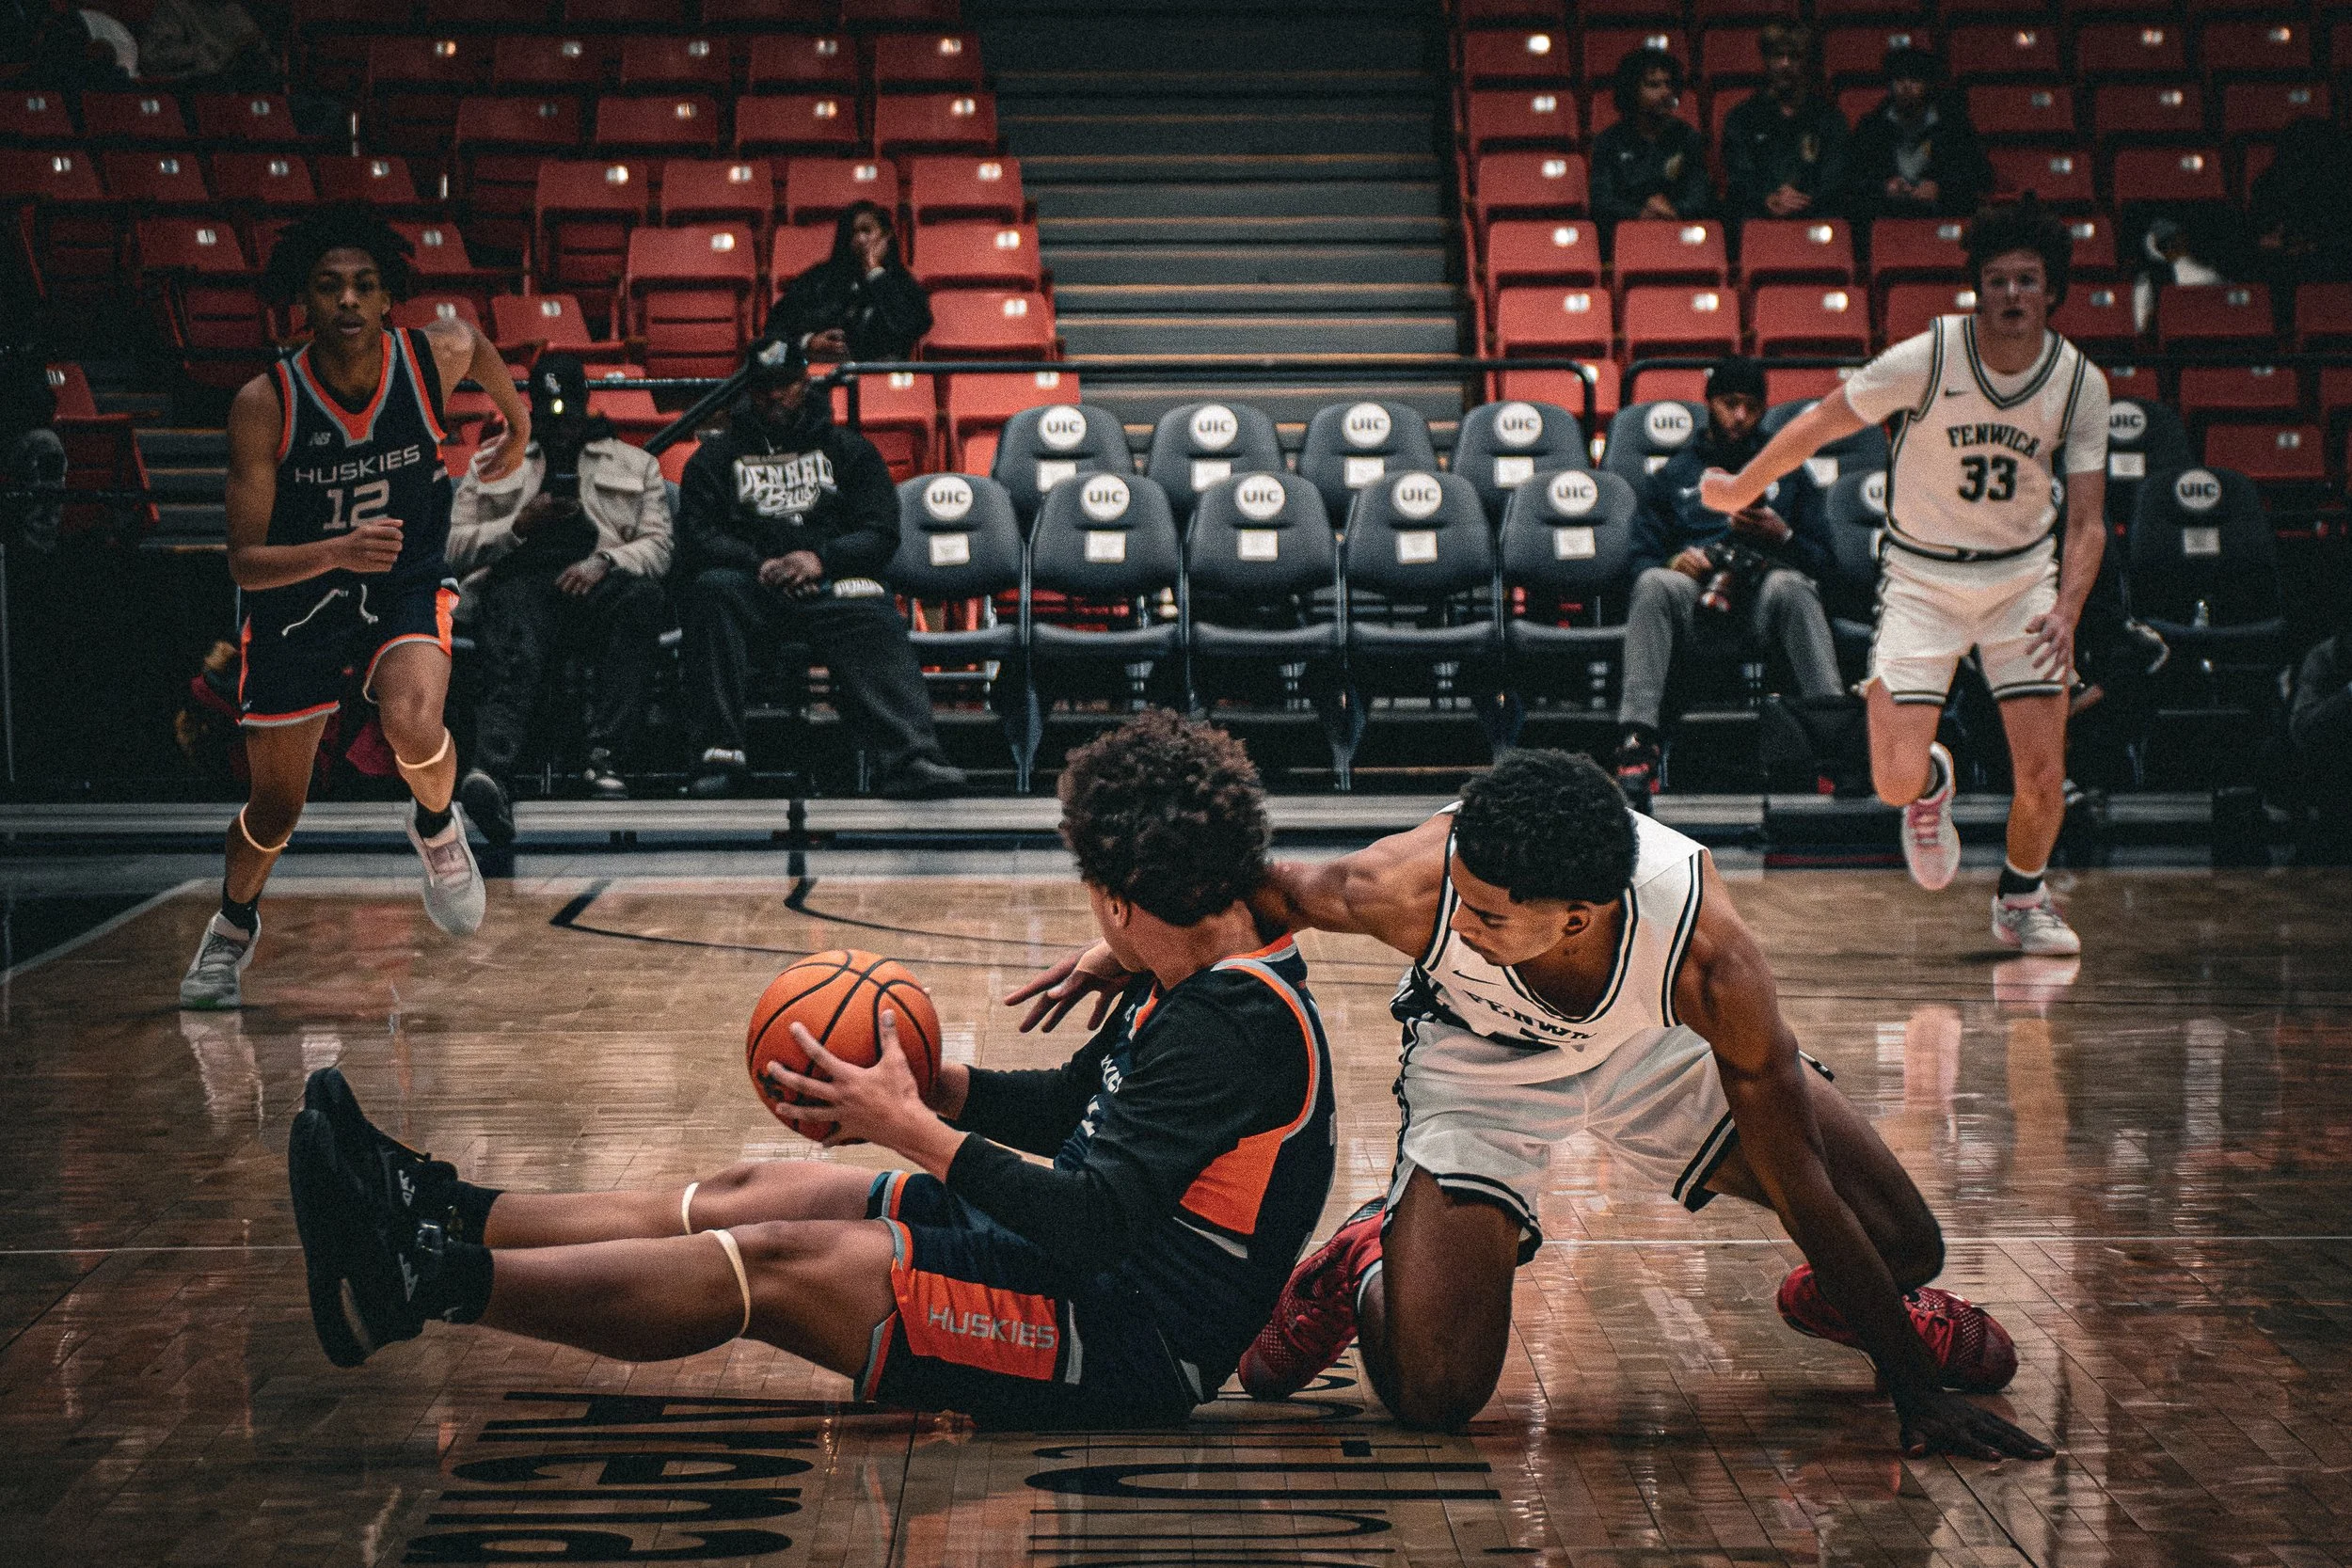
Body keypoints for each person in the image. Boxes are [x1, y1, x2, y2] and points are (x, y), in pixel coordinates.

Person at [286, 710, 1338, 1432]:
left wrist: (906, 1125)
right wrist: (930, 1086)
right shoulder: (1203, 958)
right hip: (1079, 1261)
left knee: (776, 1261)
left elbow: (1096, 1217)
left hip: (1123, 1343)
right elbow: (1077, 1109)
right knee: (764, 1189)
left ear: (1118, 896)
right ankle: (440, 1202)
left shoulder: (1227, 1025)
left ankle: (416, 1280)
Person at [1010, 748, 2052, 1462]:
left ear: (1578, 917)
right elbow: (1255, 892)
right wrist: (1128, 940)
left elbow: (1800, 1180)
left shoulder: (1709, 963)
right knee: (1432, 1395)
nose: (1456, 915)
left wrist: (1913, 1386)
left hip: (1653, 1049)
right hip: (1481, 1062)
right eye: (1457, 887)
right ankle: (1369, 1256)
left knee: (1899, 1239)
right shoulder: (1409, 886)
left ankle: (1851, 1300)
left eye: (1491, 912)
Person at [1697, 198, 2108, 956]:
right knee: (1890, 779)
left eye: (2027, 280)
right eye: (1997, 280)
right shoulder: (1928, 357)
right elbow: (1822, 420)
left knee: (2043, 774)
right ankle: (1928, 787)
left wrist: (2069, 608)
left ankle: (2022, 898)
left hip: (2021, 581)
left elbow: (2086, 522)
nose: (2012, 295)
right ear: (1976, 289)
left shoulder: (2080, 383)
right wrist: (1740, 486)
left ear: (2053, 291)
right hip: (1922, 579)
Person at [178, 205, 528, 1010]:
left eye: (363, 286)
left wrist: (518, 418)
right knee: (276, 808)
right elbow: (243, 561)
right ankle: (231, 926)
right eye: (330, 286)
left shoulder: (428, 358)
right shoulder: (265, 402)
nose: (347, 301)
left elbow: (473, 341)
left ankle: (437, 827)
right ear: (303, 299)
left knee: (413, 719)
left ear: (384, 299)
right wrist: (336, 551)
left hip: (401, 580)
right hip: (295, 598)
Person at [675, 335, 965, 800]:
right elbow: (698, 536)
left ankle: (911, 758)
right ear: (748, 389)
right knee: (709, 592)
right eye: (764, 385)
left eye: (785, 384)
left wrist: (819, 560)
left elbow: (880, 532)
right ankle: (719, 754)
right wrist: (764, 564)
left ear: (804, 382)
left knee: (870, 602)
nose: (774, 395)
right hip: (752, 584)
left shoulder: (850, 451)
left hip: (831, 581)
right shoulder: (714, 459)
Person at [448, 353, 673, 843]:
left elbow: (658, 548)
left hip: (599, 581)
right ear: (529, 405)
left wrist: (605, 562)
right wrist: (519, 525)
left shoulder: (636, 464)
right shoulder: (489, 463)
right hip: (520, 584)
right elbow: (453, 548)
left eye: (568, 410)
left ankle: (607, 758)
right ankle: (493, 774)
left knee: (643, 599)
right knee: (512, 615)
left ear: (586, 403)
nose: (560, 422)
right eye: (549, 410)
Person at [1612, 356, 1844, 802]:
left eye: (1752, 407)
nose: (1740, 416)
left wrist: (1785, 536)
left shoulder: (1788, 470)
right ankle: (1637, 743)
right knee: (1654, 583)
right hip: (1693, 599)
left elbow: (1827, 564)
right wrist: (1677, 559)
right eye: (1729, 403)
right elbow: (1637, 558)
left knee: (1792, 586)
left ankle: (1832, 740)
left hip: (1763, 597)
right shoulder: (1676, 475)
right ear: (1710, 403)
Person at [767, 201, 934, 363]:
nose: (860, 239)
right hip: (822, 374)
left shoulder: (901, 282)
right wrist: (809, 341)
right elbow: (776, 325)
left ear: (886, 235)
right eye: (853, 233)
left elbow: (913, 325)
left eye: (867, 231)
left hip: (879, 377)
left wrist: (875, 273)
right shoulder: (819, 279)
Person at [1840, 47, 1991, 221]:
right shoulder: (1871, 127)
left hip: (1941, 216)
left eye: (1914, 79)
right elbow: (1851, 178)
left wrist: (1941, 189)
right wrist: (1883, 187)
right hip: (1885, 216)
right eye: (1899, 79)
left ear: (1928, 84)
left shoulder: (1953, 126)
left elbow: (1980, 175)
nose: (1906, 86)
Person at [1721, 23, 1848, 223]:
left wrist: (1803, 199)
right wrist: (1768, 198)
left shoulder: (1829, 118)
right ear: (1766, 61)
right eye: (1777, 56)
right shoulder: (1742, 117)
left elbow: (1835, 176)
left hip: (1816, 215)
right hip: (1759, 215)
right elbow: (1740, 175)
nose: (1785, 64)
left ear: (1808, 63)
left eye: (1795, 57)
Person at [1591, 47, 1714, 230]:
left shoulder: (1687, 137)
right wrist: (1639, 213)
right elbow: (1602, 201)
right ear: (1631, 91)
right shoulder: (1609, 141)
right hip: (1628, 234)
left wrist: (1672, 211)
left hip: (1680, 231)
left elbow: (1701, 195)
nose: (1666, 92)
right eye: (1653, 85)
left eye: (1668, 84)